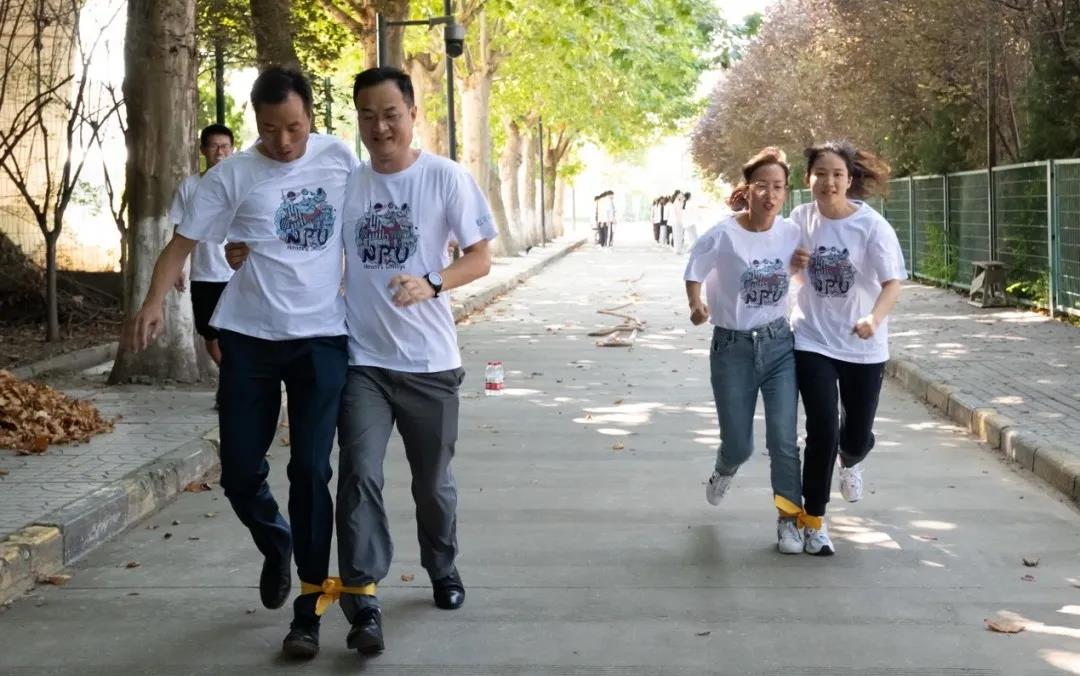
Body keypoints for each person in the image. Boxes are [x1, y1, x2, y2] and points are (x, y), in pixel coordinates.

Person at [125, 67, 359, 658]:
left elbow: (362, 226)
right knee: (238, 474)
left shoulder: (338, 159)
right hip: (250, 338)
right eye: (270, 129)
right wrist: (152, 304)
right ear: (255, 122)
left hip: (321, 338)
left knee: (311, 470)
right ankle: (276, 541)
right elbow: (179, 245)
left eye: (295, 127)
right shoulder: (231, 175)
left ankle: (309, 605)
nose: (284, 141)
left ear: (312, 116)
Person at [335, 66, 496, 655]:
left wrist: (432, 282)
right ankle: (363, 597)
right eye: (368, 116)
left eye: (391, 115)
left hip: (430, 364)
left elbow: (480, 257)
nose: (380, 128)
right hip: (364, 363)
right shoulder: (348, 185)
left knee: (432, 484)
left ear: (412, 114)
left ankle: (442, 566)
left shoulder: (445, 177)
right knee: (359, 474)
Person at [684, 147, 805, 554]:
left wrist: (799, 265)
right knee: (739, 444)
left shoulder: (791, 232)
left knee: (784, 440)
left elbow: (794, 266)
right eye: (762, 186)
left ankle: (789, 520)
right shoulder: (723, 234)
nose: (771, 195)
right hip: (731, 347)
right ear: (747, 189)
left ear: (785, 191)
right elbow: (694, 270)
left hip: (778, 344)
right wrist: (696, 305)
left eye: (778, 187)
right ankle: (725, 466)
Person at [789, 140, 906, 556]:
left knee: (854, 436)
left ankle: (852, 459)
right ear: (808, 179)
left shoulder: (871, 226)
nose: (829, 182)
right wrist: (793, 265)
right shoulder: (800, 219)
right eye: (820, 174)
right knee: (821, 429)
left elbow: (892, 283)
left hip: (862, 345)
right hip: (813, 338)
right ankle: (814, 521)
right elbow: (794, 276)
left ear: (850, 179)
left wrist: (874, 318)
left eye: (837, 174)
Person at [169, 124, 235, 388]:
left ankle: (233, 384)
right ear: (203, 150)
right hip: (204, 273)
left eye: (225, 146)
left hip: (237, 274)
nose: (220, 152)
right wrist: (177, 266)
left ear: (232, 149)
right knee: (209, 334)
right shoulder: (190, 187)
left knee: (236, 333)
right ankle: (231, 378)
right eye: (214, 146)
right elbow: (178, 231)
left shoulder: (242, 186)